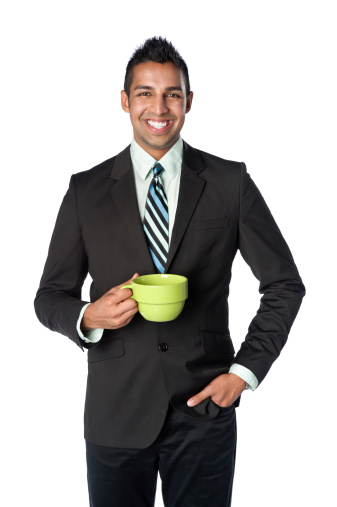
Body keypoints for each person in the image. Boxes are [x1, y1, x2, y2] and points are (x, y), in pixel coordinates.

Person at [34, 36, 305, 507]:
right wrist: (88, 317)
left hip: (205, 411)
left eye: (172, 94)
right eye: (145, 93)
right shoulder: (86, 190)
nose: (158, 107)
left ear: (188, 101)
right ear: (125, 100)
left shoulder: (229, 182)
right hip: (114, 414)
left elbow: (284, 284)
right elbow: (49, 297)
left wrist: (244, 371)